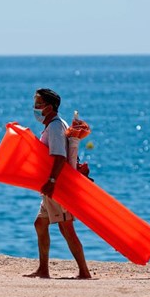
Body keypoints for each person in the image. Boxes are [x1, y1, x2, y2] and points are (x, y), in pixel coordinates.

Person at [24, 88, 92, 279]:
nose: (35, 108)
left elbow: (59, 156)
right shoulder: (52, 125)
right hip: (51, 186)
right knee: (40, 224)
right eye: (35, 103)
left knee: (66, 228)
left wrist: (52, 181)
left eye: (38, 104)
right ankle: (43, 269)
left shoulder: (54, 127)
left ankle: (84, 272)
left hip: (57, 185)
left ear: (49, 106)